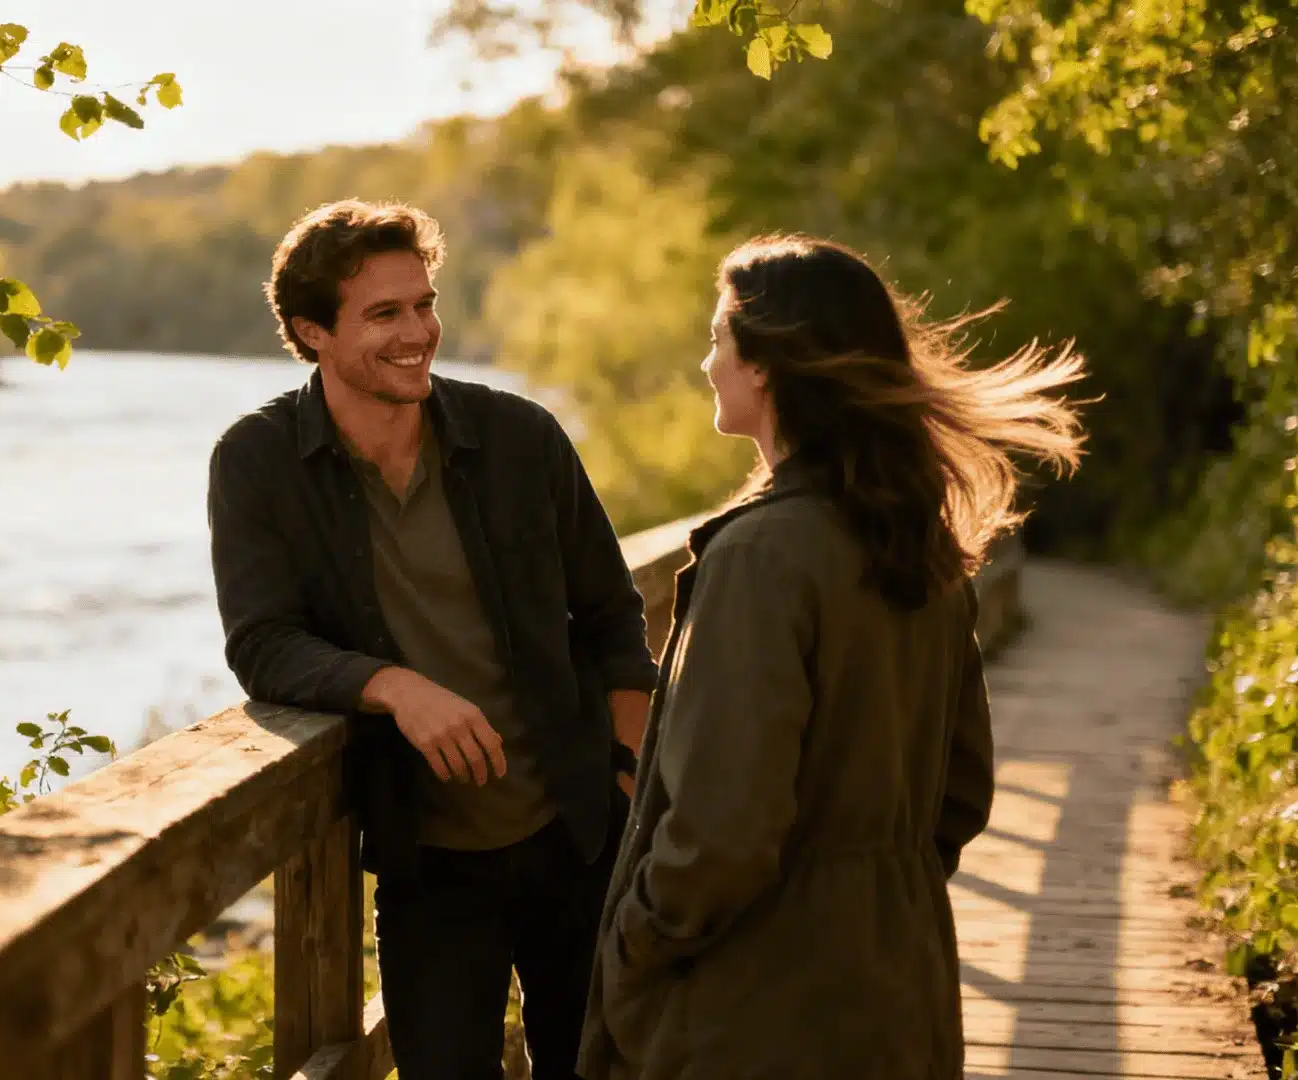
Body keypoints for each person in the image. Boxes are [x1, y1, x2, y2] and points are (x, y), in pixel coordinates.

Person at [577, 234, 1087, 1080]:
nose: (706, 363)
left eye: (718, 338)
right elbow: (961, 792)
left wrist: (635, 939)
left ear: (766, 367)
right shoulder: (922, 548)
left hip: (757, 1013)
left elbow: (722, 831)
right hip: (899, 989)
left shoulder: (760, 558)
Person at [207, 200, 658, 1080]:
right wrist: (393, 686)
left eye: (424, 304)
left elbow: (612, 614)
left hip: (578, 838)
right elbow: (262, 642)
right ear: (312, 332)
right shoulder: (257, 461)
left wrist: (628, 785)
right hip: (429, 863)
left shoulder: (520, 438)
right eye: (385, 313)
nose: (418, 333)